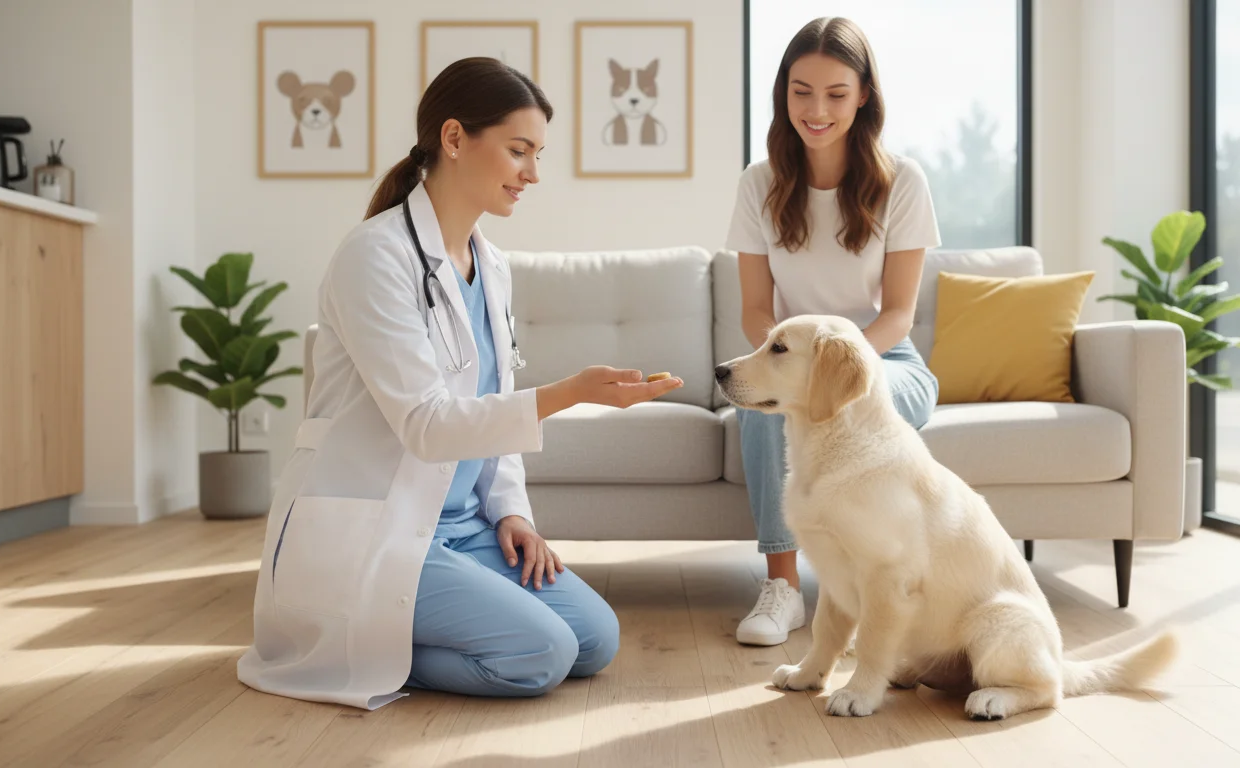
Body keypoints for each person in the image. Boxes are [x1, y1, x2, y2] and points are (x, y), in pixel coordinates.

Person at [236, 57, 683, 709]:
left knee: (594, 640)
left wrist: (512, 514)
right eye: (519, 151)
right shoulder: (374, 257)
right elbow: (428, 423)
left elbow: (489, 400)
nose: (532, 173)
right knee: (542, 655)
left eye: (538, 154)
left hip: (465, 526)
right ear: (453, 139)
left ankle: (398, 627)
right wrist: (571, 393)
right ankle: (357, 640)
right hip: (379, 525)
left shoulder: (491, 265)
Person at [724, 17, 942, 646]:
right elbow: (754, 310)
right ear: (782, 93)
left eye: (836, 94)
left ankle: (890, 584)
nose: (816, 110)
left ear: (865, 95)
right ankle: (783, 587)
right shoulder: (759, 183)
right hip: (788, 355)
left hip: (886, 359)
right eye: (801, 91)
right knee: (772, 403)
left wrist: (836, 369)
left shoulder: (902, 182)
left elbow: (898, 313)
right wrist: (787, 367)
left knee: (824, 403)